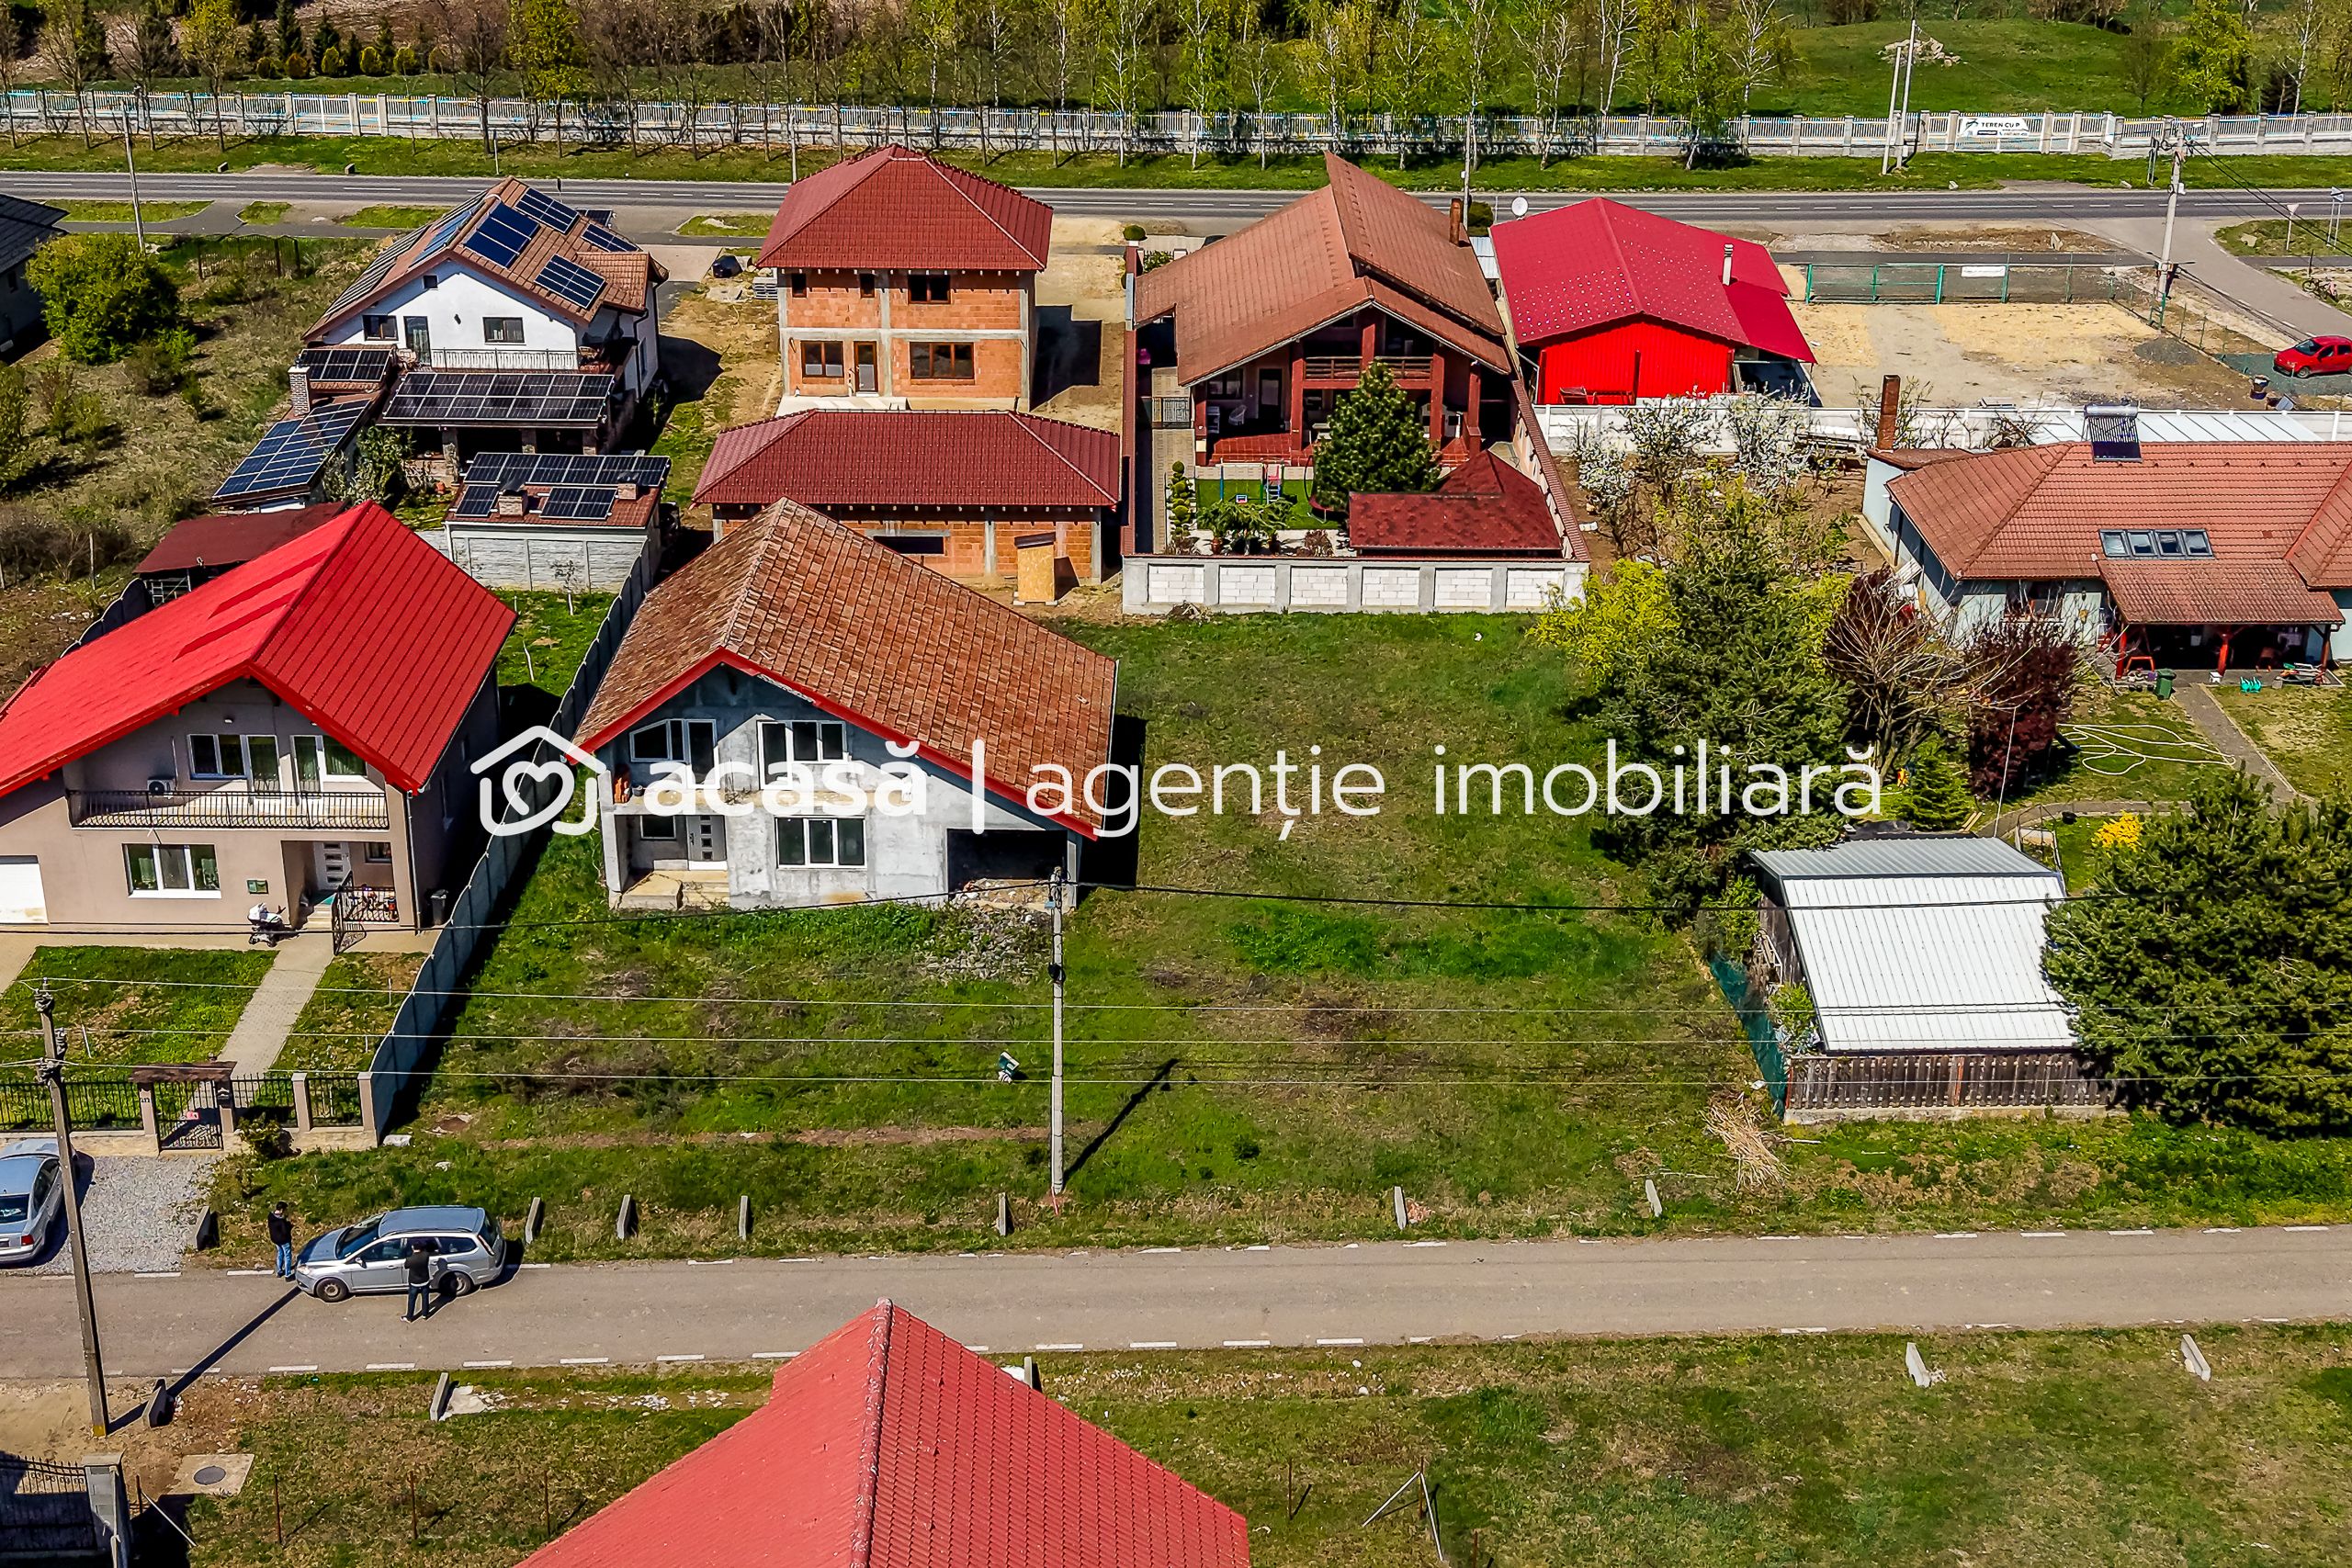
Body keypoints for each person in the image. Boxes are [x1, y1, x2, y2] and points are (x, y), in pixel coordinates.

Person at [403, 1238, 435, 1322]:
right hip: (425, 1281)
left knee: (412, 1300)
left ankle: (409, 1317)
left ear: (413, 1248)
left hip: (414, 1282)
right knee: (425, 1298)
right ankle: (425, 1314)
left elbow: (406, 1266)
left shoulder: (410, 1259)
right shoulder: (426, 1255)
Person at [266, 1202, 294, 1279]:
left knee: (280, 1254)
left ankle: (279, 1271)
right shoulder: (281, 1221)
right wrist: (289, 1226)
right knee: (287, 1256)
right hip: (284, 1240)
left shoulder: (271, 1216)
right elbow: (285, 1231)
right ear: (282, 1210)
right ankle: (288, 1274)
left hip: (275, 1239)